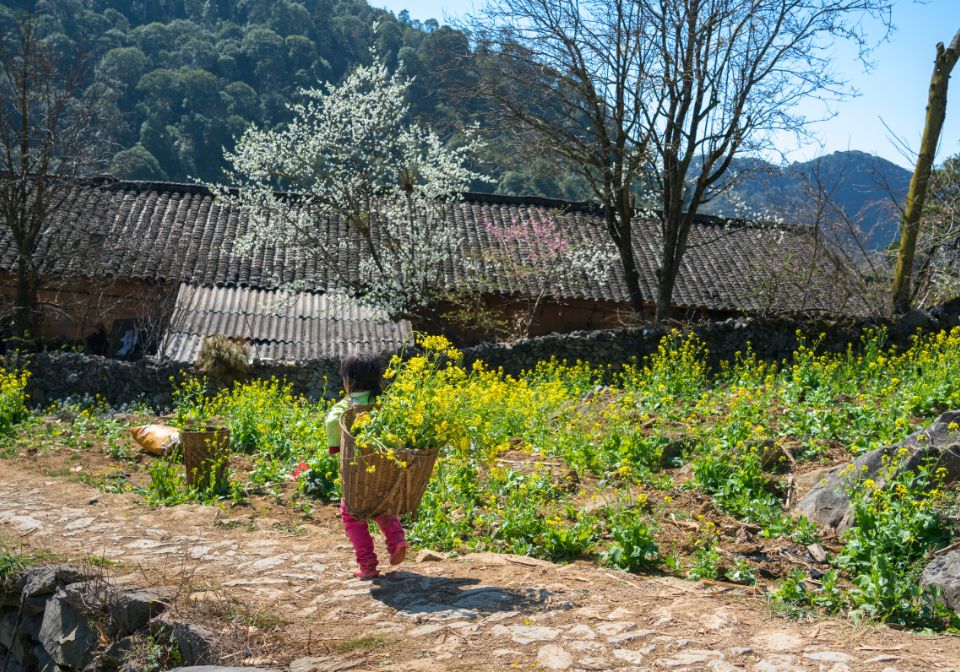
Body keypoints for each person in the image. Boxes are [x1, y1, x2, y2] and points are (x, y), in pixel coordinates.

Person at [325, 353, 408, 579]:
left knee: (352, 515)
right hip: (385, 473)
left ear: (348, 380)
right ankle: (396, 539)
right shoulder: (386, 404)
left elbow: (334, 428)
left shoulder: (342, 408)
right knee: (382, 506)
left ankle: (367, 565)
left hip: (356, 478)